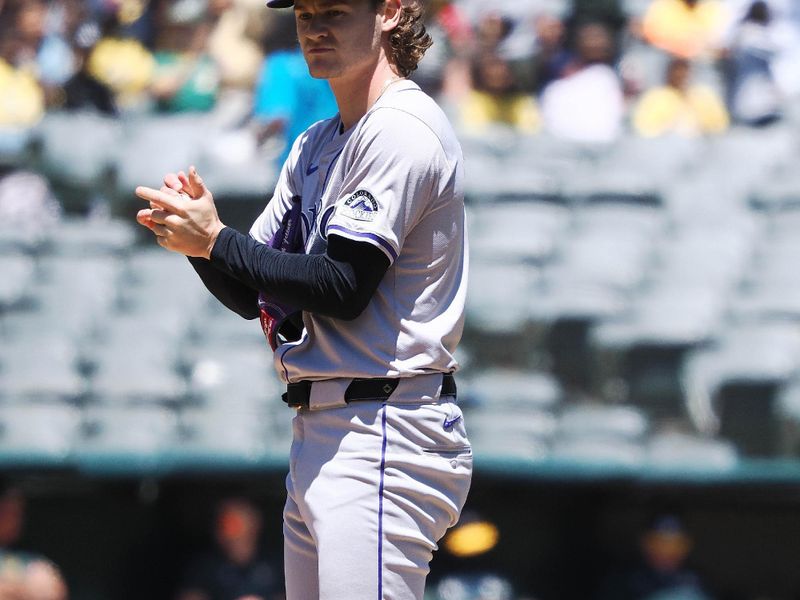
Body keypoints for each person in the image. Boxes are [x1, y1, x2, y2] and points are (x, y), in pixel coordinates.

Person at [134, 2, 473, 600]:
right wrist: (197, 243)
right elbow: (251, 291)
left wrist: (216, 241)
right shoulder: (317, 142)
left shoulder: (401, 126)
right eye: (305, 13)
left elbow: (343, 286)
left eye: (335, 10)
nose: (315, 27)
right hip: (325, 426)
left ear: (390, 11)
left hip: (384, 425)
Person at [176, 498, 283, 600]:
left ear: (254, 525)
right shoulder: (204, 568)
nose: (226, 531)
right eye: (221, 524)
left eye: (233, 524)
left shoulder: (278, 563)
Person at [0, 483, 68, 600]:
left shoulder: (25, 561)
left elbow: (51, 590)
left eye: (16, 513)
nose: (16, 520)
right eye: (6, 511)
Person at [632, 56, 729, 136]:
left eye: (685, 73)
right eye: (677, 73)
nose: (681, 77)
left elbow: (719, 126)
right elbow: (644, 128)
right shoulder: (656, 96)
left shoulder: (703, 95)